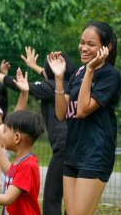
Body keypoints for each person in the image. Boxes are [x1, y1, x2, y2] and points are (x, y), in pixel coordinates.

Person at [0, 48, 77, 215]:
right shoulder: (69, 84)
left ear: (17, 137)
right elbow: (48, 74)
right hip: (73, 146)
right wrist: (33, 65)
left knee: (52, 197)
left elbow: (14, 83)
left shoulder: (51, 87)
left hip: (63, 147)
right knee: (69, 198)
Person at [48, 21, 121, 215]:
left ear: (107, 47)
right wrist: (58, 77)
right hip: (73, 151)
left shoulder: (110, 75)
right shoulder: (78, 72)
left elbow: (82, 109)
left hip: (95, 154)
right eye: (82, 43)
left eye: (91, 44)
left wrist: (90, 70)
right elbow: (61, 113)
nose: (84, 48)